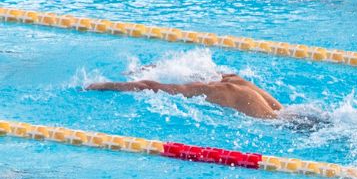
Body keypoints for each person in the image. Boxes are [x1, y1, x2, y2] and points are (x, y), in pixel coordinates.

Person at [87, 72, 283, 120]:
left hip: (277, 126)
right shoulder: (235, 81)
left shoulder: (211, 91)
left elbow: (149, 87)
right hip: (293, 116)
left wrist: (105, 85)